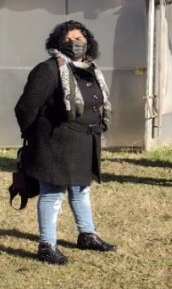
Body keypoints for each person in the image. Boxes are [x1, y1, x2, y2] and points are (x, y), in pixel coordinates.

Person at [15, 21, 116, 265]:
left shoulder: (90, 69)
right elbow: (25, 107)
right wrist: (36, 137)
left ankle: (87, 235)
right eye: (68, 39)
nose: (75, 43)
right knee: (52, 195)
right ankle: (47, 246)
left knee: (81, 190)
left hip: (83, 141)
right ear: (58, 43)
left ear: (88, 41)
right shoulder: (49, 69)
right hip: (55, 143)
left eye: (79, 37)